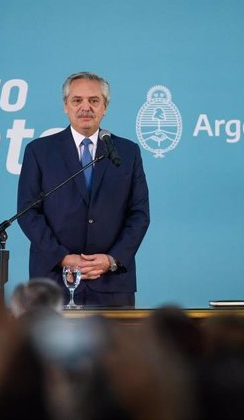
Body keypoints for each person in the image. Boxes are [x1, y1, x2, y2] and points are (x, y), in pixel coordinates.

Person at [17, 72, 150, 307]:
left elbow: (139, 214)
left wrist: (112, 260)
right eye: (77, 100)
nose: (85, 107)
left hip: (111, 282)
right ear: (65, 107)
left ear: (105, 107)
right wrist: (62, 258)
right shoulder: (39, 151)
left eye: (94, 100)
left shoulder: (127, 152)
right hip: (54, 281)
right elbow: (28, 212)